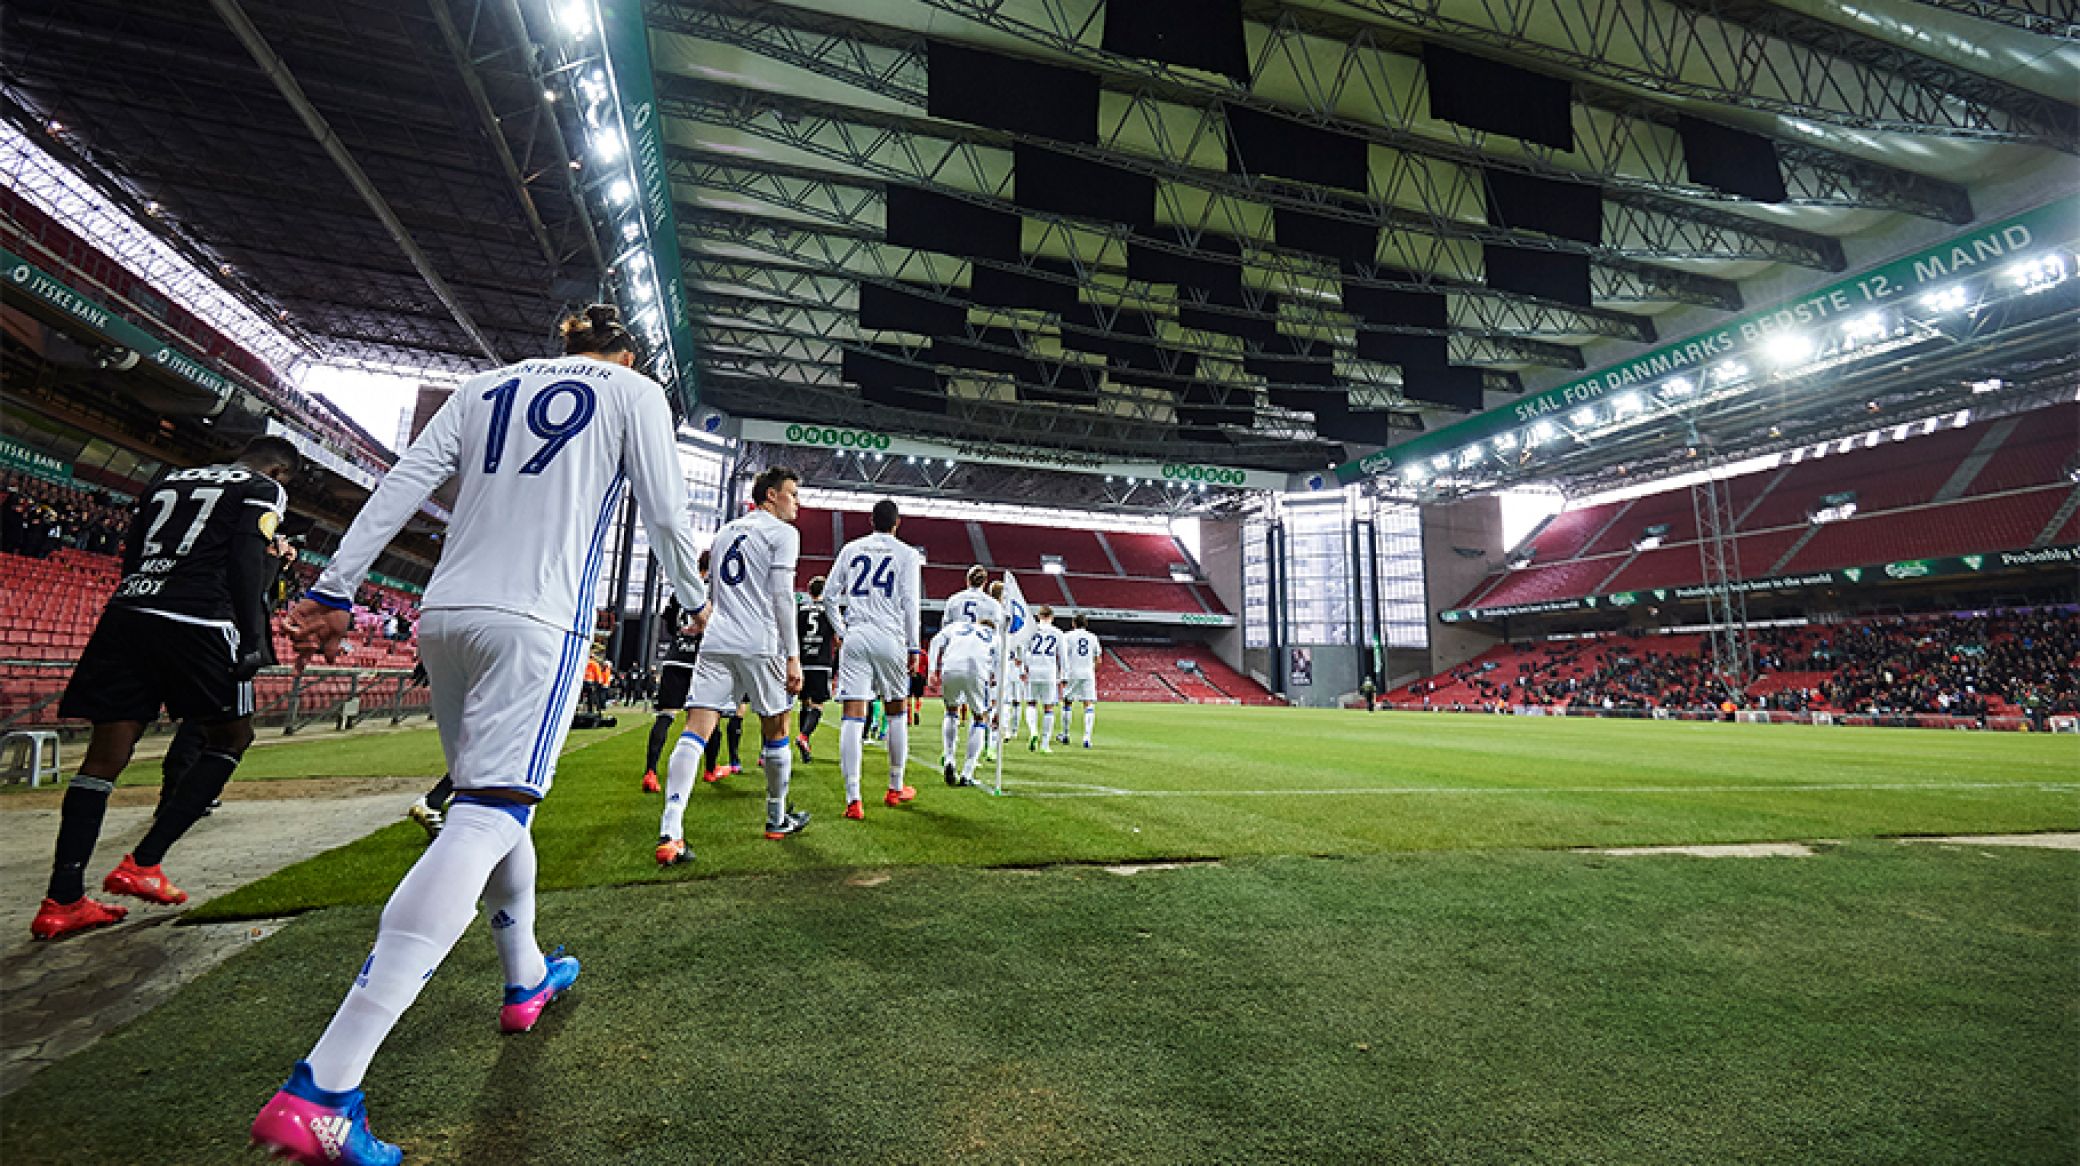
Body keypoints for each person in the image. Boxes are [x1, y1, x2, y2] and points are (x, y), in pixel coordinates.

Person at [249, 305, 709, 1166]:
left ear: (563, 341)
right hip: (536, 621)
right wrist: (690, 598)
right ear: (628, 352)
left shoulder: (484, 385)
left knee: (490, 809)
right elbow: (665, 511)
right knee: (489, 814)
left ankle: (526, 975)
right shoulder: (635, 392)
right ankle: (325, 1086)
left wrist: (336, 587)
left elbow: (401, 483)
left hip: (446, 617)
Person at [31, 435, 300, 942]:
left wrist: (136, 602)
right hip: (199, 617)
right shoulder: (265, 487)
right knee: (230, 738)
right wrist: (252, 634)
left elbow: (131, 551)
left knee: (104, 756)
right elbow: (246, 556)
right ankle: (145, 863)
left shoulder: (170, 479)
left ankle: (62, 899)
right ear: (282, 471)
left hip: (129, 612)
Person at [654, 466, 807, 865]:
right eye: (792, 494)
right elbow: (781, 596)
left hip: (717, 639)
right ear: (770, 495)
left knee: (694, 730)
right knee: (777, 728)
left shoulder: (725, 532)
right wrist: (793, 655)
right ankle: (776, 818)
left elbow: (713, 589)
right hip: (761, 641)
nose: (797, 503)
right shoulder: (783, 534)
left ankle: (671, 830)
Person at [829, 499, 922, 818]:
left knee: (852, 716)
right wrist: (913, 646)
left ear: (871, 521)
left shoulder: (851, 549)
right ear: (898, 523)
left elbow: (829, 595)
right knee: (897, 711)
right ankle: (895, 787)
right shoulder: (907, 554)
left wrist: (841, 630)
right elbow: (910, 602)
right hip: (890, 637)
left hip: (856, 635)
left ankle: (853, 798)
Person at [641, 570, 709, 794]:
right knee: (706, 716)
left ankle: (650, 771)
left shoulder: (681, 588)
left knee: (666, 715)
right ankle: (711, 768)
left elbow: (668, 618)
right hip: (700, 659)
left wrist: (679, 635)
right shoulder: (713, 588)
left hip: (675, 657)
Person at [928, 619, 996, 788]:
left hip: (950, 667)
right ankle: (967, 772)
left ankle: (949, 758)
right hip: (975, 670)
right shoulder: (993, 635)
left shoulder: (957, 625)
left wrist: (931, 670)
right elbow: (1000, 663)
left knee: (951, 710)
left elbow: (935, 641)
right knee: (981, 718)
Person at [795, 575, 840, 763]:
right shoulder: (829, 610)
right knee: (818, 704)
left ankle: (805, 744)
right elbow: (838, 640)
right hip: (821, 663)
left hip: (802, 661)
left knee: (804, 702)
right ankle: (804, 736)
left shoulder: (800, 610)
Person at [1021, 606, 1063, 753]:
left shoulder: (1031, 631)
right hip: (1049, 672)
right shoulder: (1058, 633)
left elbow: (1023, 650)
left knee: (1031, 703)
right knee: (1048, 708)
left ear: (1039, 616)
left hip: (1033, 670)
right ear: (1051, 617)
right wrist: (1063, 676)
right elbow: (1062, 656)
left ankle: (1033, 731)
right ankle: (1045, 744)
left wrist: (1025, 667)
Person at [1060, 612, 1101, 749]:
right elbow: (1098, 659)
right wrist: (1091, 670)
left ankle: (1065, 734)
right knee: (1088, 704)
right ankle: (1087, 738)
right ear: (1086, 624)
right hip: (1088, 673)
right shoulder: (1093, 637)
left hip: (1072, 672)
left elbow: (1062, 656)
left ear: (1073, 624)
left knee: (1067, 702)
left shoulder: (1067, 637)